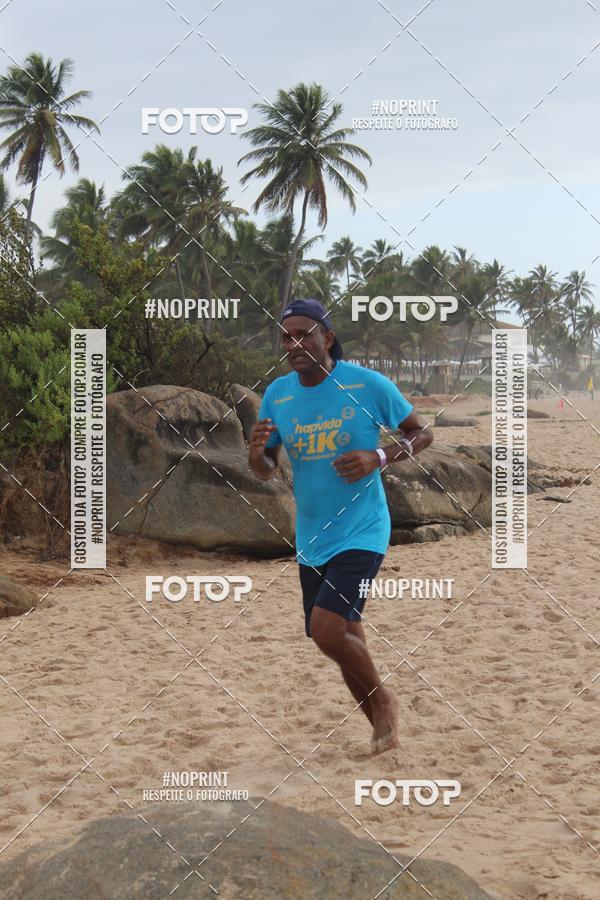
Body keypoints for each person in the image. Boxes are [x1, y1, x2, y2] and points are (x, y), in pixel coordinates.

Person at [248, 299, 433, 754]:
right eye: (285, 337)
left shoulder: (365, 384)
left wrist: (381, 456)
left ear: (327, 338)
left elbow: (422, 432)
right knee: (344, 633)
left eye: (303, 334)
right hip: (312, 534)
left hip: (363, 527)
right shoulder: (278, 394)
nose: (293, 344)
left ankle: (384, 701)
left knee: (327, 631)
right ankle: (381, 727)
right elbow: (265, 469)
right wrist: (256, 453)